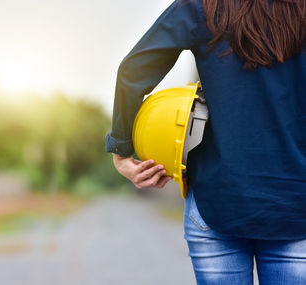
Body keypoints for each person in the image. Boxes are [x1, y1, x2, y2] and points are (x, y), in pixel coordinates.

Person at [105, 0, 306, 284]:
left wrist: (121, 150)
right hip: (296, 204)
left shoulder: (203, 6)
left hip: (216, 201)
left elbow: (133, 70)